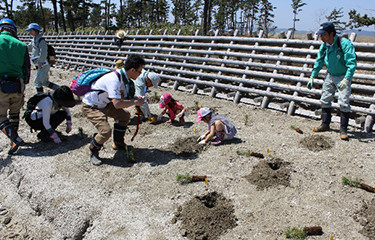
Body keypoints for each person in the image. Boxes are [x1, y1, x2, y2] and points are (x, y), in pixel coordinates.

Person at [82, 54, 145, 165]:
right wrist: (135, 102)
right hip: (92, 106)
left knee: (124, 116)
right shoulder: (114, 79)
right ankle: (93, 149)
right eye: (139, 72)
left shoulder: (124, 78)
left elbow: (121, 97)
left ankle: (118, 142)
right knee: (105, 132)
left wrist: (135, 98)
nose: (140, 74)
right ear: (132, 70)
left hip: (105, 103)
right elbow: (117, 104)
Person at [307, 22, 357, 141]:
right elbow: (319, 61)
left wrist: (347, 78)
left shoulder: (344, 44)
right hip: (330, 75)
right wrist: (312, 76)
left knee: (344, 102)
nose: (321, 37)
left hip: (343, 75)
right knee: (325, 99)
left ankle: (343, 129)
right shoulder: (324, 46)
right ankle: (325, 124)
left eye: (323, 34)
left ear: (331, 33)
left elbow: (352, 63)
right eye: (320, 34)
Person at [0, 18, 31, 154]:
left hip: (1, 84)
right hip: (17, 84)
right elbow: (26, 68)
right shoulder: (21, 45)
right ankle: (14, 141)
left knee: (0, 116)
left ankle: (15, 138)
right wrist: (24, 84)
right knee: (14, 113)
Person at [26, 23, 59, 93]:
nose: (29, 32)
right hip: (40, 64)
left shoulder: (41, 40)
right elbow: (27, 48)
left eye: (31, 30)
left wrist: (40, 62)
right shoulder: (34, 40)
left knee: (37, 82)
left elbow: (43, 53)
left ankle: (40, 96)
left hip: (43, 64)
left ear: (35, 31)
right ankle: (60, 90)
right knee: (45, 82)